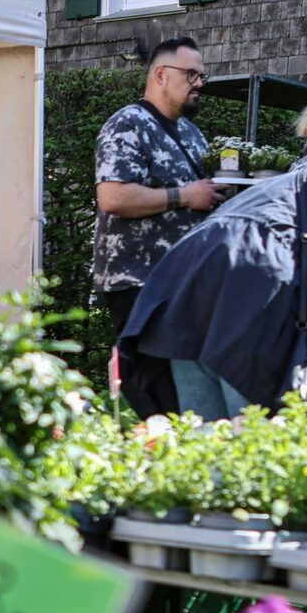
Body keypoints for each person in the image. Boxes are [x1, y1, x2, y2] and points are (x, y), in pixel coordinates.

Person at [121, 95, 307, 418]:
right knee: (257, 436)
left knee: (206, 440)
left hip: (183, 289)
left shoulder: (298, 182)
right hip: (246, 300)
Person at [94, 36, 218, 418]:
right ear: (162, 75)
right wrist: (184, 196)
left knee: (189, 397)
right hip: (140, 284)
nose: (199, 83)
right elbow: (112, 198)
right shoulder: (128, 125)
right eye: (191, 74)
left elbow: (199, 194)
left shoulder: (192, 134)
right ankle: (158, 462)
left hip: (182, 284)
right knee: (156, 392)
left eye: (202, 75)